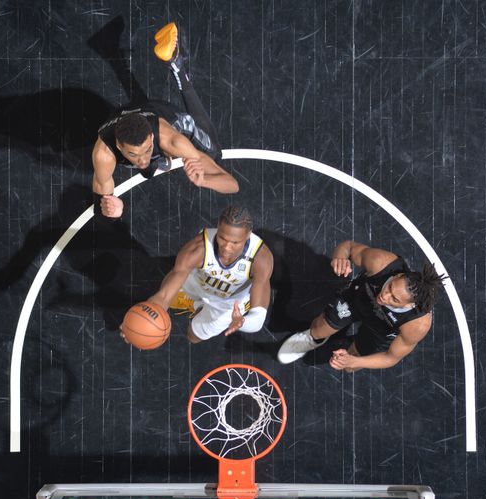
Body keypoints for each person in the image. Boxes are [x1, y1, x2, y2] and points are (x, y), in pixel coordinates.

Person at [93, 22, 239, 218]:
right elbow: (102, 205)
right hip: (128, 117)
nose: (142, 159)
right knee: (148, 167)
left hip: (161, 114)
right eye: (134, 155)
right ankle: (168, 60)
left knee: (213, 153)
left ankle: (176, 63)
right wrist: (114, 210)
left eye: (146, 150)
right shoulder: (103, 154)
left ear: (152, 137)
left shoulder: (172, 141)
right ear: (119, 146)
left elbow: (232, 185)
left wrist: (204, 180)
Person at [277, 241, 447, 371]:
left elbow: (390, 358)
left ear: (410, 304)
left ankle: (353, 349)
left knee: (350, 366)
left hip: (381, 328)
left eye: (394, 299)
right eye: (389, 287)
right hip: (358, 299)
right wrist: (340, 258)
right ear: (398, 275)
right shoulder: (381, 263)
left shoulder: (416, 325)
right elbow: (348, 247)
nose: (384, 296)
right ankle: (312, 339)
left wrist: (355, 361)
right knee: (318, 329)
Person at [123, 206, 273, 343]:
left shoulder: (261, 259)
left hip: (227, 306)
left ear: (247, 237)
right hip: (196, 285)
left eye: (235, 242)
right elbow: (163, 297)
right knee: (169, 292)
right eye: (222, 238)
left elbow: (258, 320)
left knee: (193, 337)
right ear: (218, 229)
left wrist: (242, 322)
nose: (227, 247)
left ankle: (202, 307)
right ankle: (195, 303)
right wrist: (137, 324)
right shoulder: (198, 249)